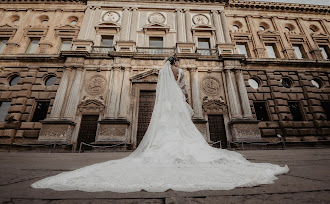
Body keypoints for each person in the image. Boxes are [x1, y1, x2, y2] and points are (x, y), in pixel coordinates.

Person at [31, 57, 289, 193]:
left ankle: (159, 153)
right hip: (177, 102)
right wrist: (185, 98)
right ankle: (183, 154)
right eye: (177, 62)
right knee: (180, 128)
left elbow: (164, 91)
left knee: (165, 128)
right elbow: (185, 92)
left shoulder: (164, 73)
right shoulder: (181, 73)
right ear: (176, 63)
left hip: (164, 105)